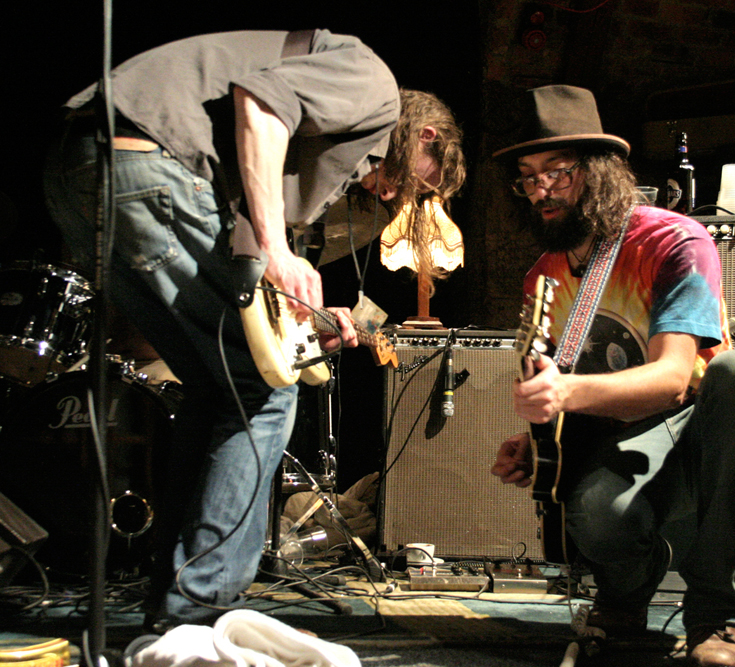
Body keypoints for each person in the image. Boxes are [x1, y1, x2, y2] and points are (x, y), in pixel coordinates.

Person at [43, 29, 465, 631]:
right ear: (426, 137)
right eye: (415, 183)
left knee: (221, 388)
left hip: (81, 168)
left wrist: (297, 321)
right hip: (147, 161)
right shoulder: (374, 87)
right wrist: (276, 249)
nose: (396, 196)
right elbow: (260, 104)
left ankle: (177, 601)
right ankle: (204, 607)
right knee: (265, 395)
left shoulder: (311, 140)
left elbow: (238, 232)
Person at [489, 85, 735, 667]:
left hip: (700, 426)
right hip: (619, 435)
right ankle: (627, 591)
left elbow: (673, 377)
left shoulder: (672, 240)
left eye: (558, 172)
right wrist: (541, 443)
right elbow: (564, 390)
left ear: (598, 171)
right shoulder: (541, 278)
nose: (541, 191)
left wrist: (565, 392)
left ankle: (717, 614)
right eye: (528, 177)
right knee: (597, 514)